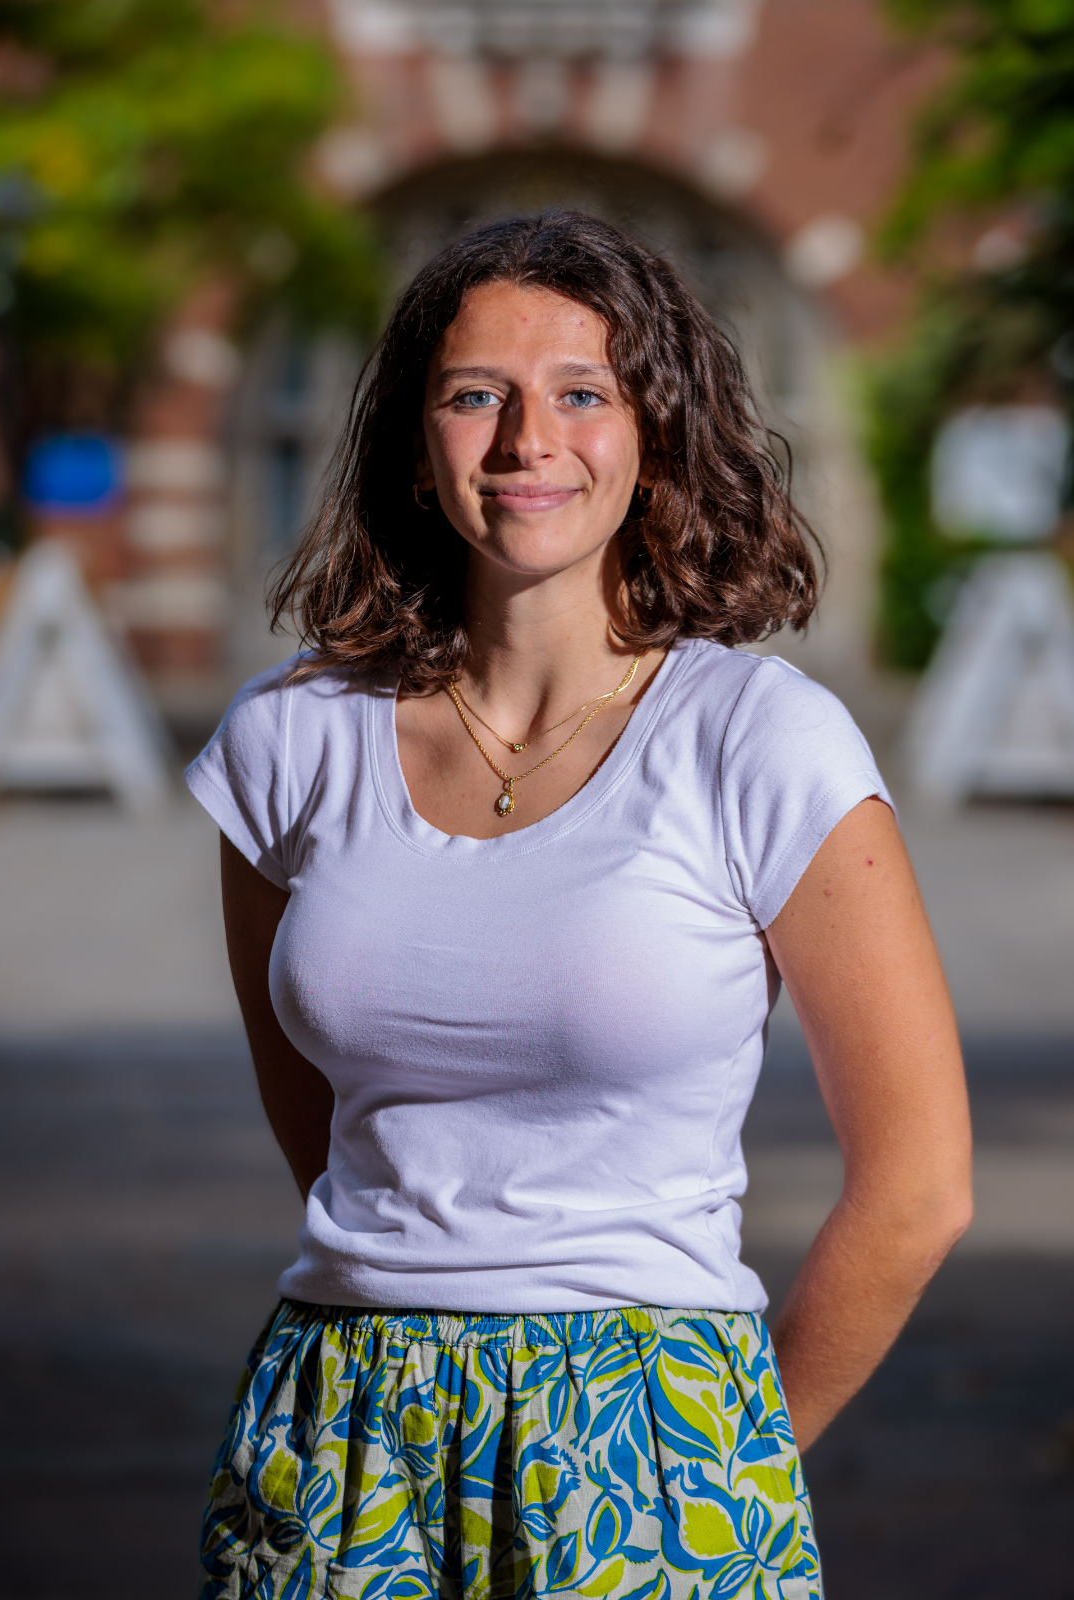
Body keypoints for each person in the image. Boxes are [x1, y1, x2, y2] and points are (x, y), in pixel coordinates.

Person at [186, 210, 971, 1600]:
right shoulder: (290, 741)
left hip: (655, 1438)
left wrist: (731, 1457)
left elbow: (918, 1189)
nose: (523, 440)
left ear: (656, 436)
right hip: (341, 1426)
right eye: (474, 394)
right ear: (415, 447)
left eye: (582, 395)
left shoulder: (759, 740)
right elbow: (322, 1131)